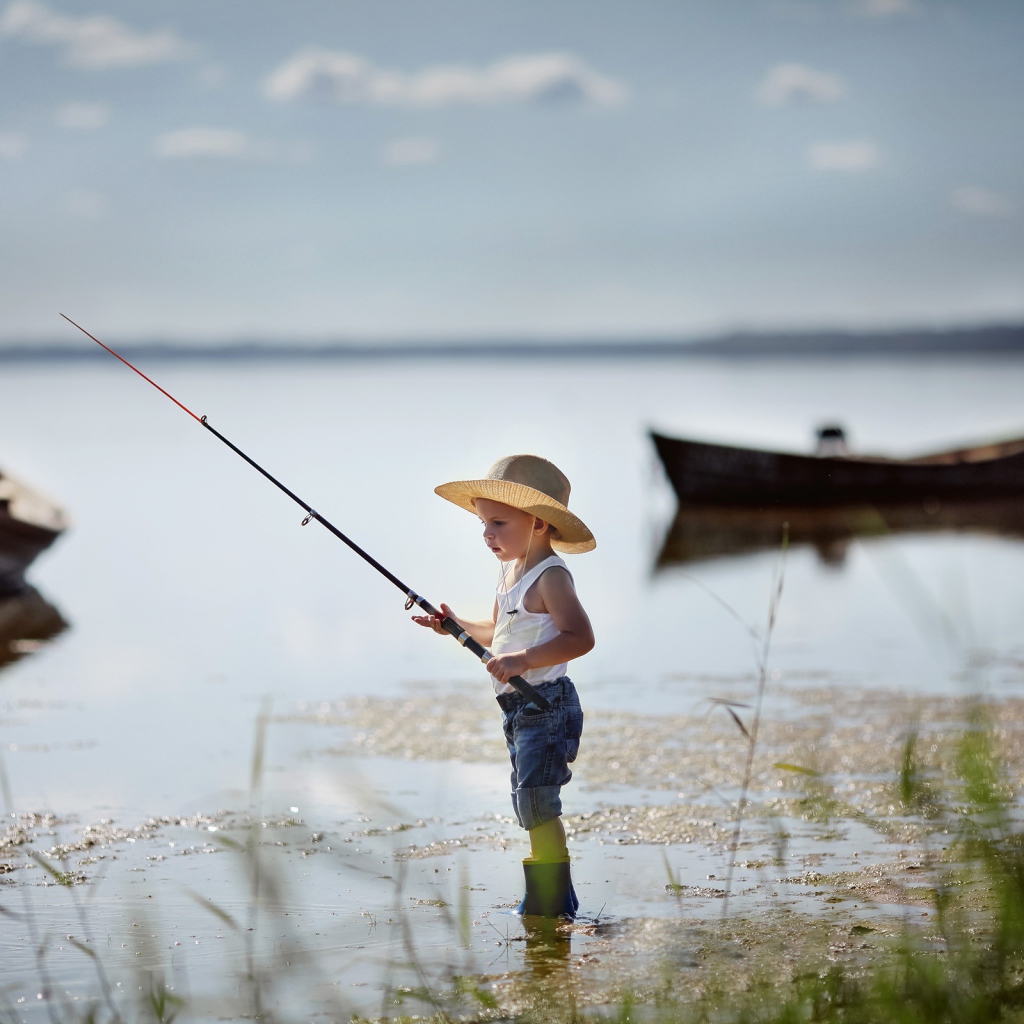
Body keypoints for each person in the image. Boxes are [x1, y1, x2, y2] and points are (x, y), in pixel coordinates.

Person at [413, 454, 596, 919]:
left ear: (537, 522)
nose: (487, 534)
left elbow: (580, 637)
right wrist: (454, 625)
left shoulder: (551, 576)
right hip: (517, 708)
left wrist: (524, 660)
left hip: (546, 703)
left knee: (538, 801)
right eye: (482, 524)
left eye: (497, 522)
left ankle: (551, 900)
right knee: (526, 799)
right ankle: (556, 898)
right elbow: (495, 633)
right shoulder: (511, 574)